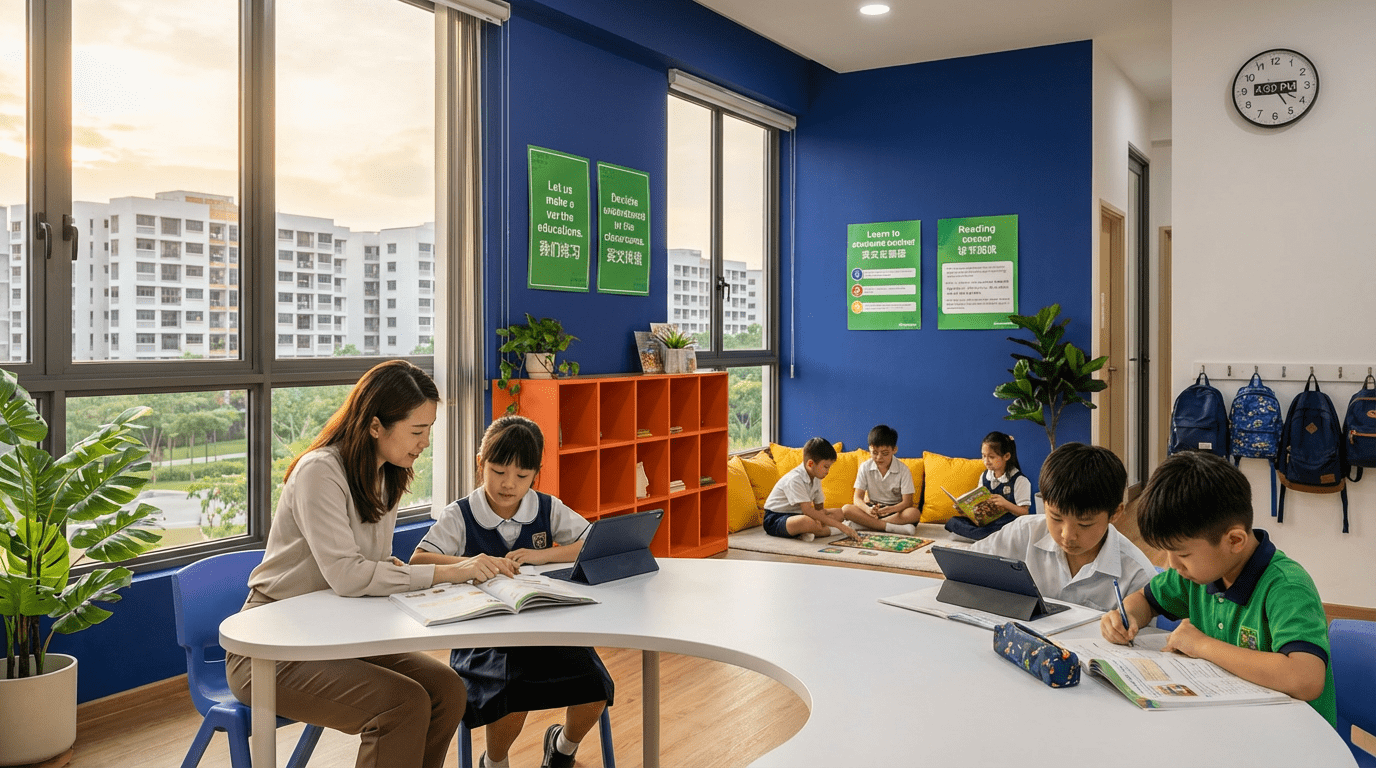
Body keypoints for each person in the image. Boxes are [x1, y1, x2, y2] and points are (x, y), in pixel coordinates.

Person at [226, 360, 513, 768]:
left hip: (338, 634)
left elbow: (369, 569)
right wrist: (450, 571)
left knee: (448, 689)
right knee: (402, 706)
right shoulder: (319, 472)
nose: (425, 442)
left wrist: (390, 573)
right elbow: (349, 576)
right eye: (418, 430)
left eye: (429, 429)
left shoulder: (386, 475)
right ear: (376, 425)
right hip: (274, 648)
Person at [411, 415, 613, 768]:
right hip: (485, 638)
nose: (508, 485)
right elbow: (418, 559)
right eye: (498, 472)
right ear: (480, 464)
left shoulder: (546, 507)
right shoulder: (459, 515)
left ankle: (562, 750)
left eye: (521, 476)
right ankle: (494, 762)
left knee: (597, 687)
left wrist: (542, 554)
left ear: (535, 474)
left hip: (546, 630)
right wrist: (469, 562)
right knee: (512, 694)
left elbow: (591, 543)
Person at [1100, 451, 1337, 727]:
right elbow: (1146, 600)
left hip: (1295, 739)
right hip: (1229, 722)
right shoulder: (1197, 575)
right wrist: (1126, 616)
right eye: (1165, 552)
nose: (1171, 564)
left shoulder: (1286, 587)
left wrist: (1201, 645)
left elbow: (1305, 678)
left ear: (1235, 540)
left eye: (1183, 555)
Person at [967, 442, 1155, 612]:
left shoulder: (1136, 575)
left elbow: (1139, 644)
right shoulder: (1024, 532)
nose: (1068, 535)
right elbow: (966, 566)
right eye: (1056, 518)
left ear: (1115, 514)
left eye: (1084, 524)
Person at [761, 437, 860, 542]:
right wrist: (841, 526)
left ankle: (810, 532)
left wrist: (821, 518)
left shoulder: (816, 477)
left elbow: (819, 509)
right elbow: (807, 510)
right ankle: (834, 531)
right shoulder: (794, 479)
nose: (828, 471)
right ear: (810, 464)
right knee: (807, 521)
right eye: (826, 467)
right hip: (775, 518)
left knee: (839, 513)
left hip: (799, 514)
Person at [945, 431, 1033, 540]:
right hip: (987, 523)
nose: (986, 461)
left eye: (991, 457)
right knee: (952, 522)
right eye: (983, 456)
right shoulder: (985, 476)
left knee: (997, 530)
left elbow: (1024, 512)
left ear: (1006, 456)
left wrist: (1005, 504)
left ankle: (979, 536)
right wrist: (966, 510)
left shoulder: (1019, 480)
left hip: (1005, 523)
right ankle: (982, 536)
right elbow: (979, 509)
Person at [841, 424, 920, 535]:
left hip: (894, 511)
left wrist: (890, 509)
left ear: (894, 450)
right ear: (869, 449)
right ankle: (888, 527)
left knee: (914, 513)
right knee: (846, 509)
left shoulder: (903, 470)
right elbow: (857, 498)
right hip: (872, 510)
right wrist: (868, 510)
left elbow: (908, 502)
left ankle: (866, 525)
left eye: (884, 453)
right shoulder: (865, 467)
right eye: (874, 453)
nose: (879, 457)